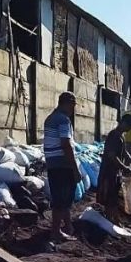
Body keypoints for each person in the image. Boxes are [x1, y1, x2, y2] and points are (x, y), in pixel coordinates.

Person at [44, 92, 82, 242]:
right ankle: (56, 231)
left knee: (62, 198)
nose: (74, 108)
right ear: (67, 103)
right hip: (62, 164)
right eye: (73, 105)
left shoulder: (51, 118)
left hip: (53, 163)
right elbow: (66, 145)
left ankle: (67, 227)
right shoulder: (63, 120)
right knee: (62, 198)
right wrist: (75, 168)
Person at [97, 114, 131, 222]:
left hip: (116, 173)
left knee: (114, 197)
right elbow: (112, 156)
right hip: (109, 172)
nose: (130, 129)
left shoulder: (121, 136)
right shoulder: (114, 136)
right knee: (109, 198)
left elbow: (125, 153)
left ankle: (114, 219)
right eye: (130, 126)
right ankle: (109, 220)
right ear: (123, 123)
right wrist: (125, 168)